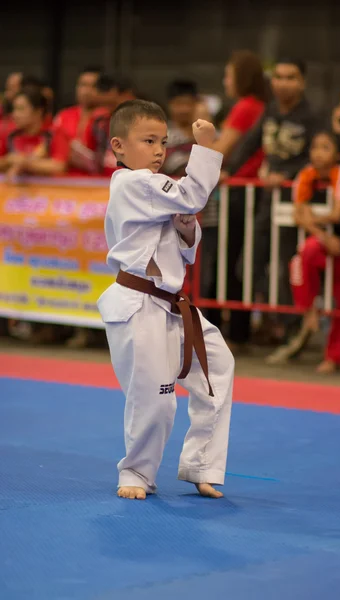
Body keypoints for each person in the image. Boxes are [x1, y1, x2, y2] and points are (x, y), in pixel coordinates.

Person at [97, 100, 234, 500]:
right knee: (154, 399)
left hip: (172, 304)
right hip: (139, 306)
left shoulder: (155, 188)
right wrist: (206, 148)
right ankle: (136, 473)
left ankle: (203, 464)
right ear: (119, 146)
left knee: (218, 368)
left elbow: (186, 248)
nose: (159, 150)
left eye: (163, 141)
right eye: (148, 141)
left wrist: (187, 226)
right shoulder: (131, 183)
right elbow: (192, 194)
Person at [226, 58, 318, 344]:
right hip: (268, 200)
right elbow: (249, 144)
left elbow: (319, 154)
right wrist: (226, 170)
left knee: (286, 266)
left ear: (302, 82)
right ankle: (274, 320)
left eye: (290, 77)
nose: (283, 83)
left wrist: (286, 175)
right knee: (248, 265)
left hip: (298, 201)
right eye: (278, 77)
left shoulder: (313, 115)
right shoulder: (270, 111)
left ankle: (291, 329)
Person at [280, 131, 340, 373]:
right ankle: (309, 312)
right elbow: (299, 215)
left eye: (326, 147)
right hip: (325, 241)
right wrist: (321, 234)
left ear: (338, 155)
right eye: (315, 147)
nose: (318, 153)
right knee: (300, 260)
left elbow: (337, 214)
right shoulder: (305, 175)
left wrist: (312, 217)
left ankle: (336, 356)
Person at [210, 50, 267, 351]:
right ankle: (236, 331)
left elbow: (221, 148)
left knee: (228, 260)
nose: (225, 81)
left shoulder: (246, 107)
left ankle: (228, 333)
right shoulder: (258, 106)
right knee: (236, 260)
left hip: (242, 193)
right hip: (246, 192)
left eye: (229, 75)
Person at [0, 88, 68, 177]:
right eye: (14, 109)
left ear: (38, 112)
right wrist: (8, 160)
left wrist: (25, 163)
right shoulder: (10, 135)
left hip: (48, 189)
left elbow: (59, 166)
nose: (15, 114)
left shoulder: (53, 134)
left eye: (21, 109)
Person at [53, 66, 102, 175]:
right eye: (83, 85)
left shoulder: (107, 117)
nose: (86, 91)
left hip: (98, 184)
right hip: (67, 182)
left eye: (93, 86)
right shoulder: (63, 116)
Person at [162, 79, 198, 177]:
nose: (184, 109)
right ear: (169, 105)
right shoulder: (163, 135)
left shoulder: (208, 133)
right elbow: (170, 165)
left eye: (188, 104)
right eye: (179, 104)